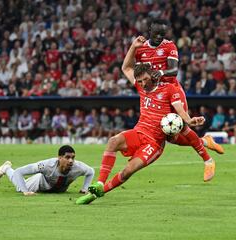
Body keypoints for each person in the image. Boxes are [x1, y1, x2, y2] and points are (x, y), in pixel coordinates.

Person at [76, 37, 205, 205]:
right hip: (139, 132)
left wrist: (189, 120)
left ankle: (99, 193)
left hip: (155, 143)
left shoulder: (169, 89)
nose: (143, 83)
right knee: (113, 141)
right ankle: (99, 183)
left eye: (145, 79)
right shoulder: (140, 85)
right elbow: (126, 67)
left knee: (128, 171)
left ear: (152, 75)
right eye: (141, 80)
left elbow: (180, 110)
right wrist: (133, 46)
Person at [134, 19, 224, 182]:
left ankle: (208, 160)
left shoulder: (169, 46)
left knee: (182, 126)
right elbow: (138, 71)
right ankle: (204, 141)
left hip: (171, 89)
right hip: (155, 93)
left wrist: (160, 73)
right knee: (170, 135)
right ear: (150, 31)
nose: (160, 37)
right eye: (156, 33)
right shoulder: (141, 49)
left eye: (163, 34)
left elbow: (174, 70)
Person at [0, 145, 94, 195]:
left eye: (73, 157)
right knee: (19, 187)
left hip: (54, 189)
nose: (71, 161)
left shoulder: (79, 167)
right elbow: (19, 172)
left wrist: (85, 188)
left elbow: (91, 172)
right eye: (67, 157)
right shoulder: (46, 165)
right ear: (59, 157)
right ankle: (7, 168)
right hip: (38, 183)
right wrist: (26, 192)